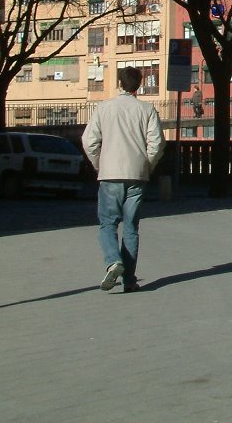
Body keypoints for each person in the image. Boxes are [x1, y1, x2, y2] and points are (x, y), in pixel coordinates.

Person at [82, 66, 165, 293]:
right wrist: (146, 165)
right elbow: (157, 143)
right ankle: (129, 280)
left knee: (107, 223)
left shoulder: (104, 108)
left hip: (110, 174)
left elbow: (89, 141)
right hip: (137, 175)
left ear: (119, 82)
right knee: (131, 228)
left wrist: (99, 163)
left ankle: (113, 260)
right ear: (139, 84)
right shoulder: (147, 110)